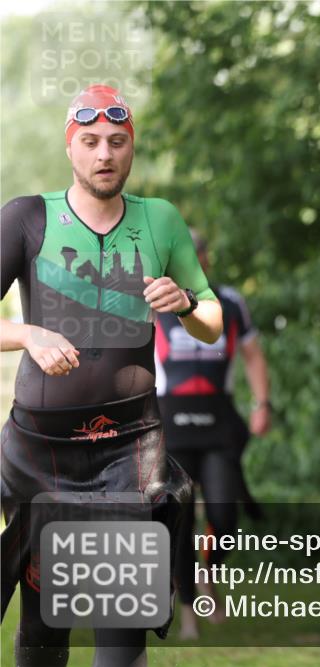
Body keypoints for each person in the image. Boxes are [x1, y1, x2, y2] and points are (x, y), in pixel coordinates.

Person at [0, 84, 222, 667]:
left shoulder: (162, 220)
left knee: (120, 635)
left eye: (117, 142)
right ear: (71, 148)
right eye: (92, 142)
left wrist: (185, 305)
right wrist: (28, 334)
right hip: (42, 452)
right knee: (48, 629)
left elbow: (212, 320)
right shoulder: (27, 218)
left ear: (131, 147)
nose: (105, 154)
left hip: (129, 449)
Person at [154, 229, 271, 639]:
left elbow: (254, 356)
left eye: (197, 254)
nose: (191, 261)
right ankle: (187, 610)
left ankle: (210, 574)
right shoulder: (153, 303)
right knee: (179, 523)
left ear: (206, 258)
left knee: (223, 516)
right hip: (171, 423)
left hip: (220, 422)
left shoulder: (231, 303)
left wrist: (262, 404)